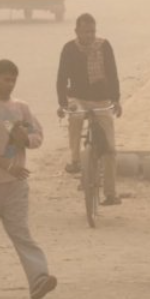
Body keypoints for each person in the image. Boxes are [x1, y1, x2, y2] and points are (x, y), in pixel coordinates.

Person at [0, 59, 56, 299]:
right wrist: (8, 165)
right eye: (6, 79)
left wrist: (24, 139)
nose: (10, 84)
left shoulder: (20, 108)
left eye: (13, 80)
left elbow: (37, 136)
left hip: (15, 186)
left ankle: (39, 278)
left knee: (21, 233)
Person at [56, 14, 122, 206]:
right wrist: (62, 104)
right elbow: (61, 79)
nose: (90, 35)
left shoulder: (104, 46)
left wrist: (116, 100)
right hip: (77, 97)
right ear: (77, 32)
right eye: (86, 32)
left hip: (102, 100)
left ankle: (110, 193)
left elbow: (113, 73)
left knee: (110, 148)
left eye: (93, 31)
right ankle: (76, 160)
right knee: (75, 118)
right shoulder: (69, 49)